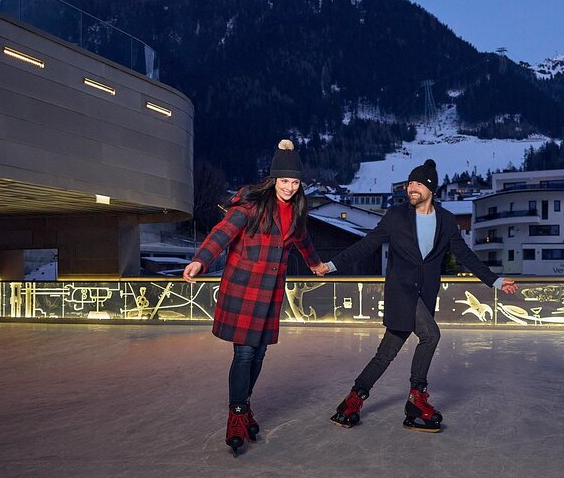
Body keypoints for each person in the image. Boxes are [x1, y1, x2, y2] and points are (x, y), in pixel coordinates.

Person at [319, 159, 518, 432]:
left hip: (424, 295)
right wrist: (331, 266)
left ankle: (352, 401)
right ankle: (416, 398)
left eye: (417, 184)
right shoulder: (395, 216)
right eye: (409, 183)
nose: (410, 188)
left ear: (430, 188)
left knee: (386, 353)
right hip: (401, 292)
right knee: (431, 335)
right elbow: (367, 245)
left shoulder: (447, 221)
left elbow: (465, 256)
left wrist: (494, 280)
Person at [182, 139, 324, 456]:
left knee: (259, 355)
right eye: (284, 181)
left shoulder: (298, 210)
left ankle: (245, 407)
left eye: (295, 182)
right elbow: (222, 232)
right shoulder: (252, 205)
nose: (289, 187)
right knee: (244, 354)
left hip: (271, 289)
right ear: (274, 179)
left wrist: (315, 264)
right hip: (245, 287)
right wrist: (200, 260)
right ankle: (236, 416)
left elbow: (304, 241)